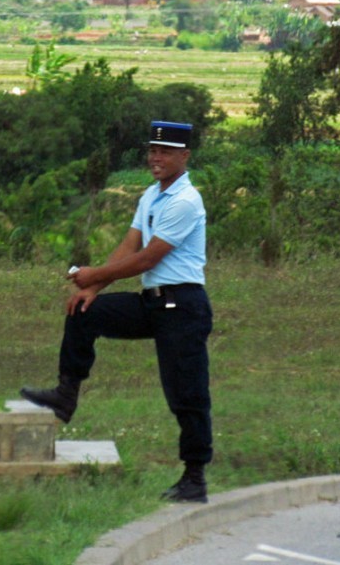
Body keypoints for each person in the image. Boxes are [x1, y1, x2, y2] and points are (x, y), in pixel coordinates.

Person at [21, 120, 214, 503]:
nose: (156, 158)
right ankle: (66, 394)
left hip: (183, 306)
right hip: (153, 302)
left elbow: (147, 259)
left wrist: (93, 273)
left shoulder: (185, 201)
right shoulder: (151, 195)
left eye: (165, 152)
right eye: (152, 151)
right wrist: (91, 289)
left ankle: (195, 477)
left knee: (186, 392)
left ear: (184, 156)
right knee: (85, 312)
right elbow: (130, 245)